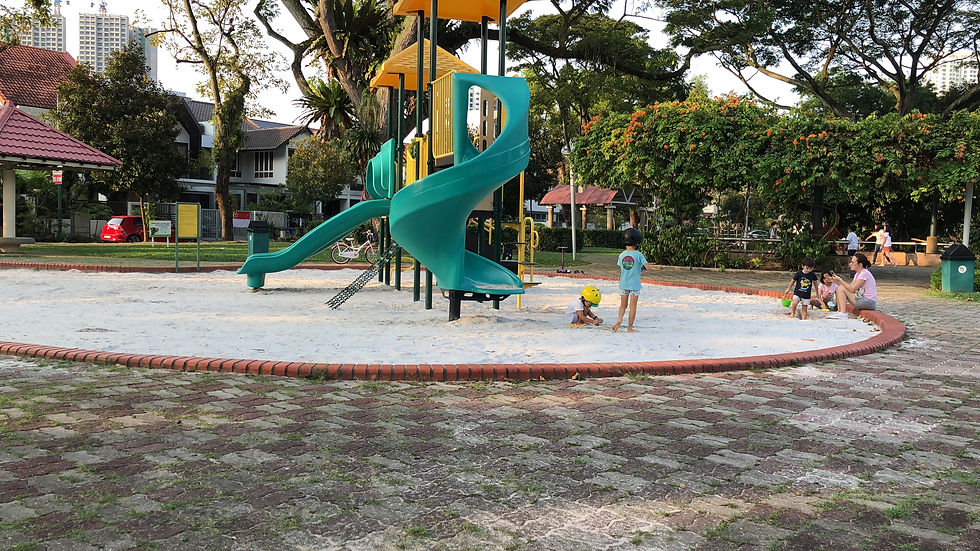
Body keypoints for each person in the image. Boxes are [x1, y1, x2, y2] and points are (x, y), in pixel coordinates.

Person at [612, 228, 654, 333]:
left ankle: (619, 320)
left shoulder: (621, 255)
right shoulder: (639, 255)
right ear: (636, 242)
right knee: (633, 307)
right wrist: (640, 268)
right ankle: (629, 328)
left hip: (623, 284)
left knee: (623, 305)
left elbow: (622, 267)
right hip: (634, 285)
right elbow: (648, 268)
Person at [829, 252, 877, 318]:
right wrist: (838, 282)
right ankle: (840, 311)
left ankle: (843, 312)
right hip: (862, 299)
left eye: (852, 262)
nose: (850, 264)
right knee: (840, 288)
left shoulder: (864, 273)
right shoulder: (857, 274)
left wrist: (841, 281)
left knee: (841, 288)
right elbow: (849, 287)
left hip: (868, 302)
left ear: (860, 264)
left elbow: (852, 289)